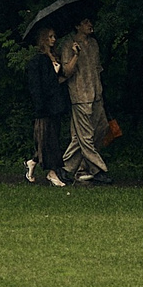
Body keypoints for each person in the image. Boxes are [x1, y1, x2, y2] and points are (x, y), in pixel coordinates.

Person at [58, 15, 110, 185]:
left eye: (90, 21)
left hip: (96, 94)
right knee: (85, 136)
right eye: (86, 22)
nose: (90, 24)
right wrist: (75, 54)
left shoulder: (94, 44)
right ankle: (99, 170)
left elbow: (97, 69)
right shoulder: (68, 45)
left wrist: (100, 90)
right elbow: (66, 72)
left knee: (96, 131)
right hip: (80, 95)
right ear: (77, 25)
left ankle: (65, 169)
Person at [28, 26, 71, 187]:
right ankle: (51, 172)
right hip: (45, 105)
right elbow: (37, 85)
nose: (54, 39)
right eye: (50, 37)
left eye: (54, 36)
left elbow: (58, 80)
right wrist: (40, 105)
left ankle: (33, 162)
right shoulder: (38, 60)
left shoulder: (55, 57)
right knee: (47, 138)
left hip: (56, 103)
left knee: (51, 136)